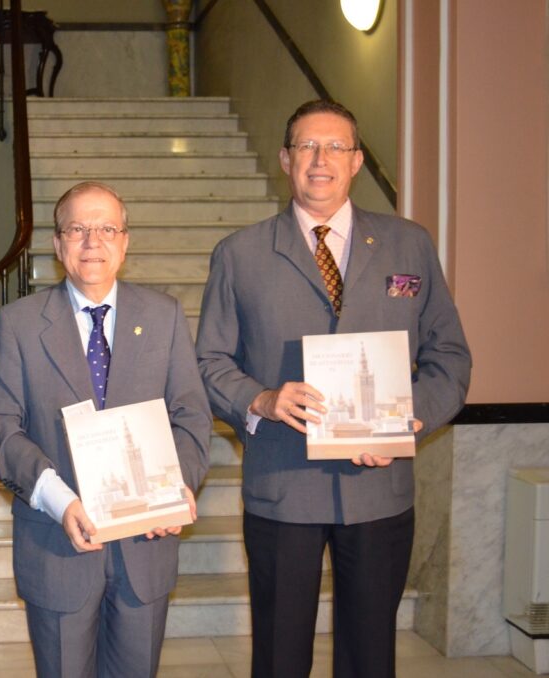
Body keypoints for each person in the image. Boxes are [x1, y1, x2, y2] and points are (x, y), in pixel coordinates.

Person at [196, 100, 471, 678]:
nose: (320, 159)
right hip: (282, 487)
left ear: (357, 162)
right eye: (306, 146)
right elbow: (210, 362)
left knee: (371, 655)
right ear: (285, 159)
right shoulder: (239, 255)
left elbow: (448, 356)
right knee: (279, 655)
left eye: (335, 147)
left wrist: (409, 418)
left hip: (379, 488)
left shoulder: (409, 245)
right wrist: (261, 399)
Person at [0, 181, 212, 677]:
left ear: (125, 241)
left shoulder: (165, 316)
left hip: (145, 547)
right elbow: (1, 428)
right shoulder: (19, 325)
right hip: (56, 547)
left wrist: (178, 486)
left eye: (107, 228)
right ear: (58, 244)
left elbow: (191, 415)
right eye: (78, 229)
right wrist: (59, 499)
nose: (93, 242)